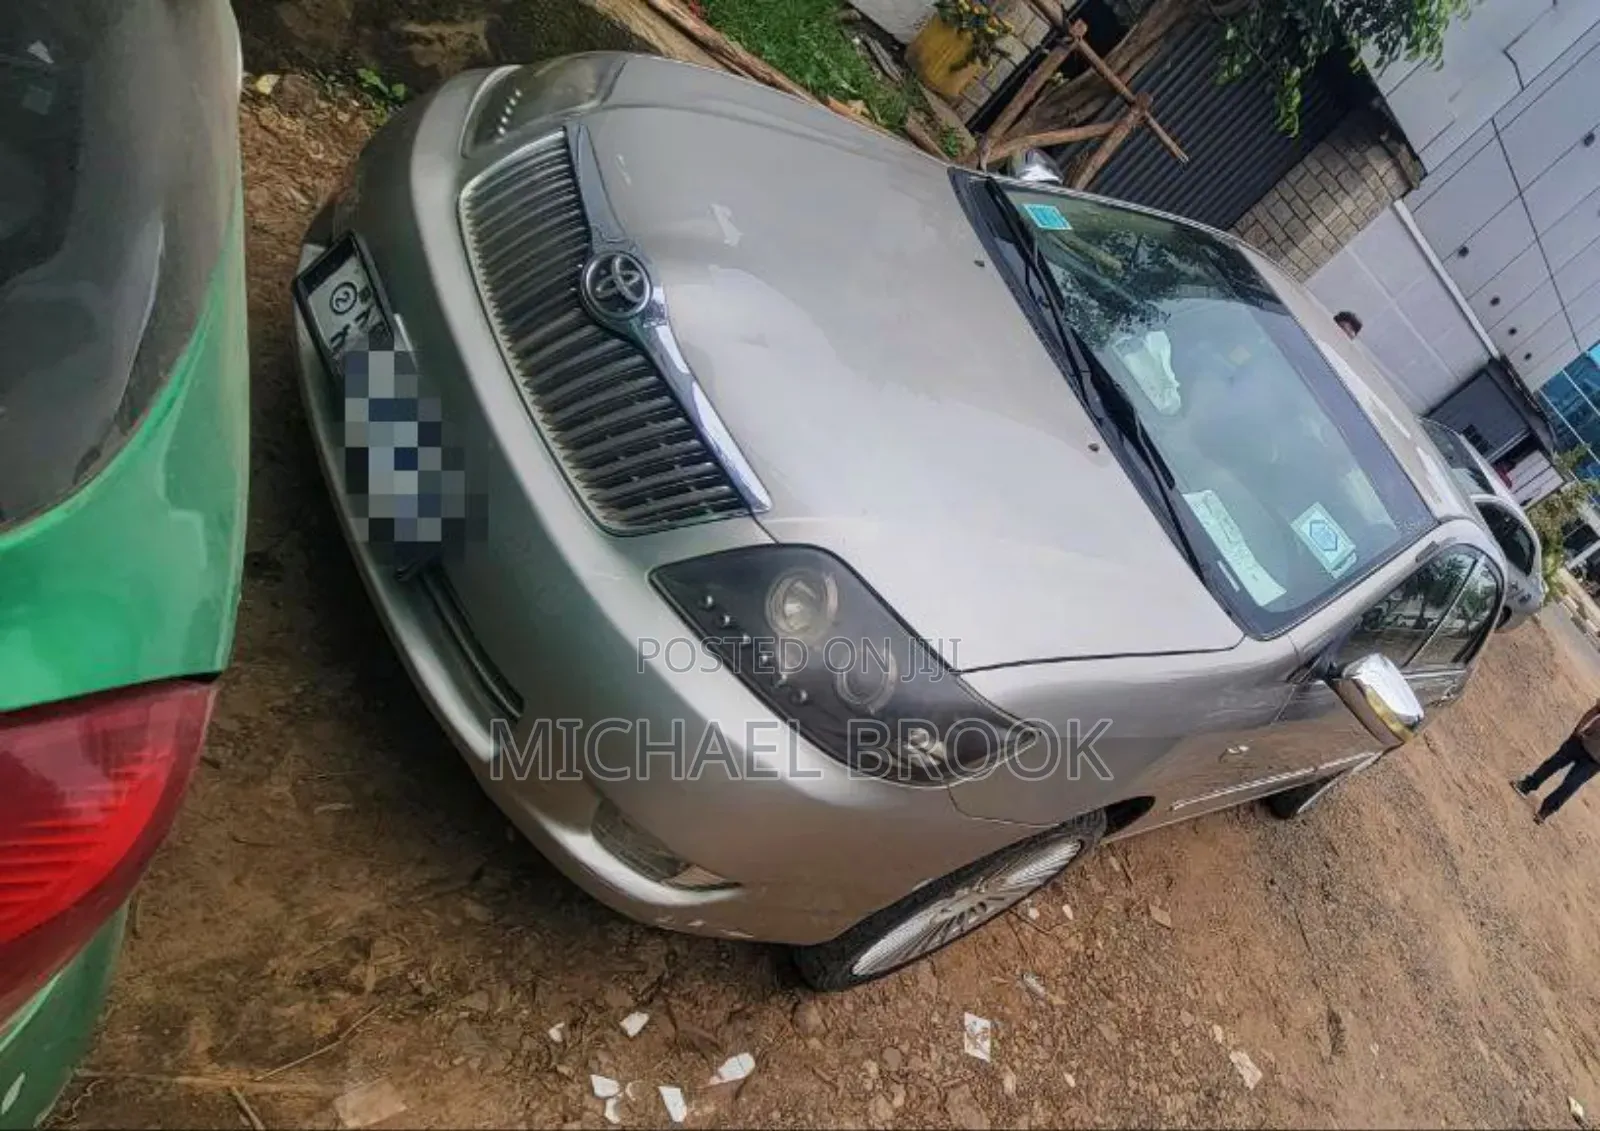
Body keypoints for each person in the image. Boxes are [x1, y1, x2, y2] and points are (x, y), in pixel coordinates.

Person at [1512, 702, 1600, 823]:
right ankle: (1527, 785)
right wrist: (1578, 729)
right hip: (1581, 741)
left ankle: (1546, 811)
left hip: (1595, 762)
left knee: (1571, 785)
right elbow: (1595, 710)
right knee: (1553, 763)